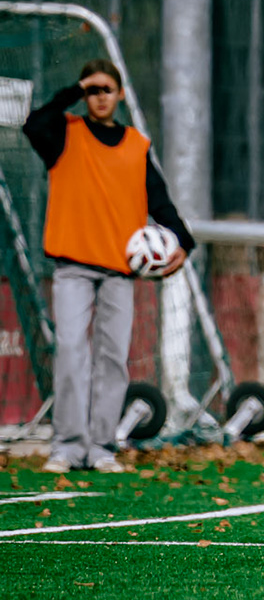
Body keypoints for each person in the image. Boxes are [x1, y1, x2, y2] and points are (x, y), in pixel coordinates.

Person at [23, 59, 192, 473]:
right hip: (73, 268)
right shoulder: (64, 134)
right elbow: (33, 123)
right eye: (93, 90)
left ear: (120, 94)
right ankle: (66, 445)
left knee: (113, 359)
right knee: (70, 352)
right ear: (85, 93)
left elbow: (161, 202)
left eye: (107, 89)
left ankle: (101, 446)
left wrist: (184, 242)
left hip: (120, 271)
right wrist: (74, 90)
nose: (100, 97)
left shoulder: (137, 145)